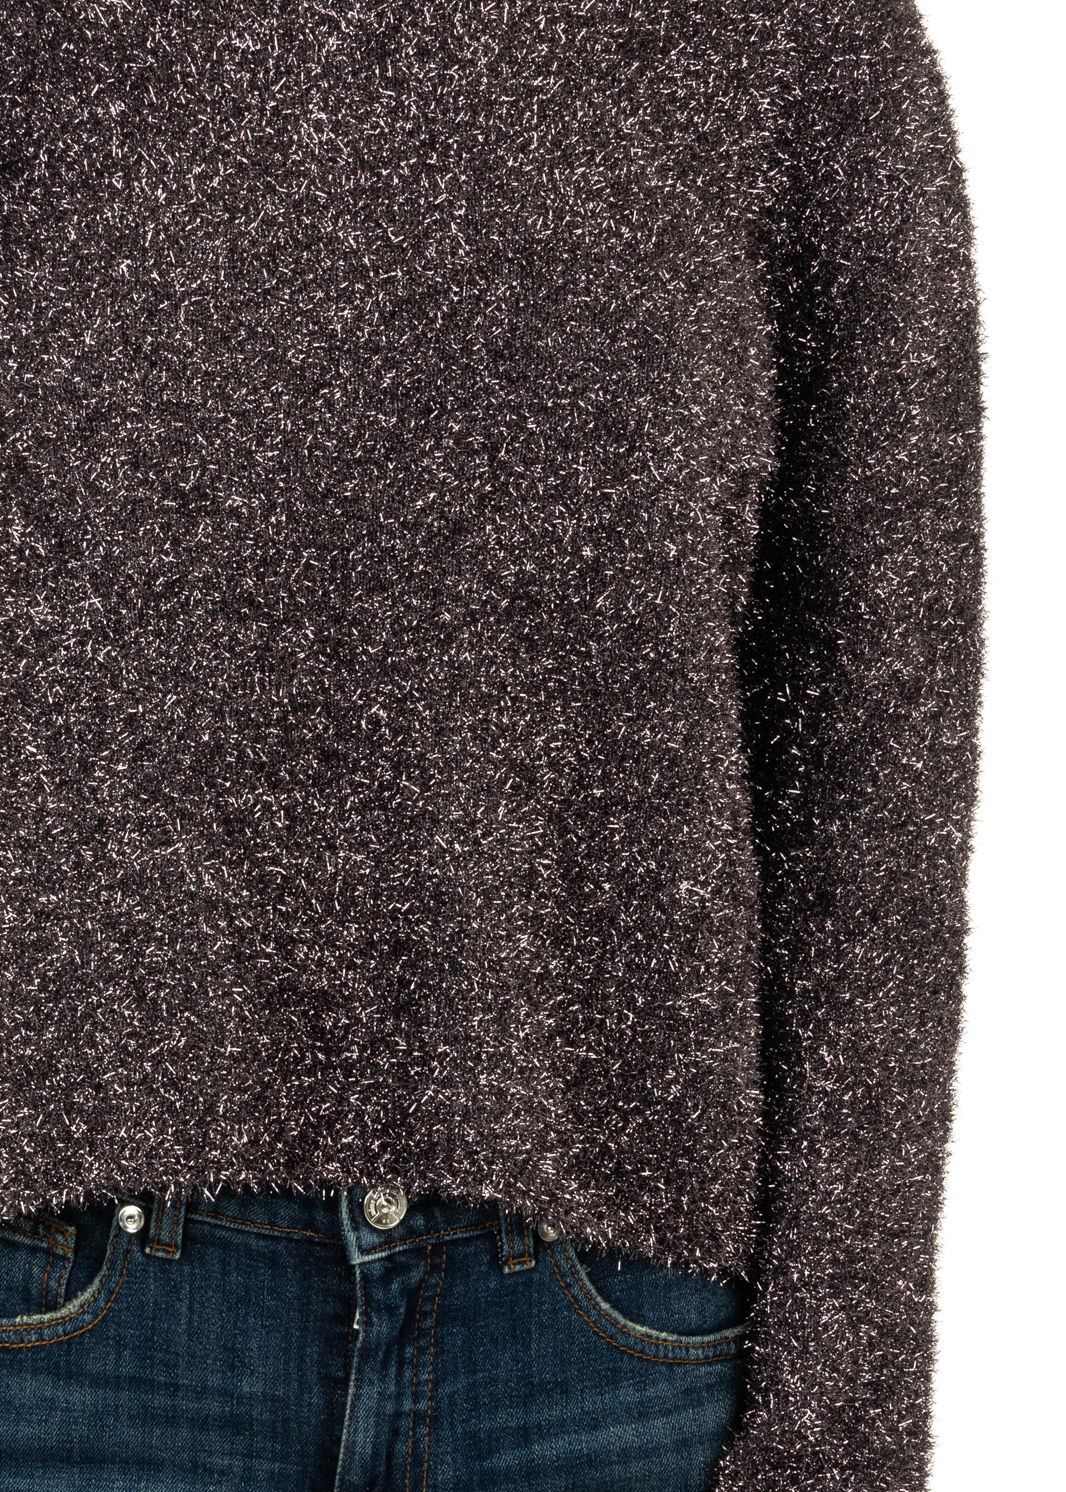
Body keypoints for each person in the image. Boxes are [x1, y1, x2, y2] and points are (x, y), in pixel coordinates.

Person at [0, 1, 984, 1488]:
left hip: (613, 1332)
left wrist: (842, 1412)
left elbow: (877, 752)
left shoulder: (794, 47)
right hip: (65, 1312)